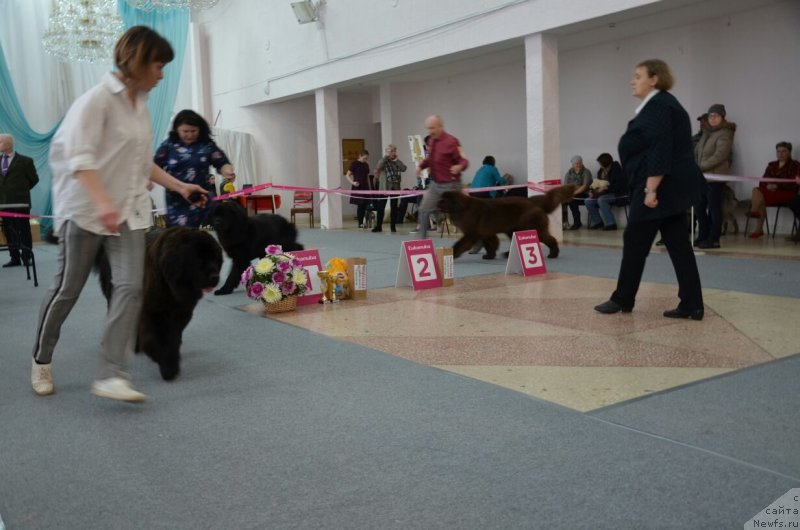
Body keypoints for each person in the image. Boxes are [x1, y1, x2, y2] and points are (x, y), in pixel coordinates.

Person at [31, 26, 209, 402]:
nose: (162, 74)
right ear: (139, 60)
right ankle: (42, 358)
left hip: (128, 213)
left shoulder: (139, 109)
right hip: (85, 212)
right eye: (159, 65)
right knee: (67, 290)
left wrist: (179, 186)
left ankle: (112, 373)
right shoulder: (95, 101)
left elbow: (144, 163)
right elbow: (80, 161)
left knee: (130, 287)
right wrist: (102, 203)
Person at [594, 59, 705, 321]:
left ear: (654, 79)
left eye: (638, 76)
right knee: (678, 245)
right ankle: (692, 303)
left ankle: (623, 298)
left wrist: (651, 189)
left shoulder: (658, 106)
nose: (633, 81)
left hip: (659, 188)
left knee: (635, 241)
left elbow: (660, 150)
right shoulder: (664, 104)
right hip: (670, 188)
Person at [154, 109, 234, 227]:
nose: (190, 135)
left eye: (193, 131)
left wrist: (227, 171)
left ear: (200, 129)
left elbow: (221, 162)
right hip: (177, 202)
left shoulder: (206, 144)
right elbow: (153, 166)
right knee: (181, 237)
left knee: (207, 234)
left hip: (202, 198)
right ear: (177, 129)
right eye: (185, 131)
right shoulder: (168, 145)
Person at [416, 115, 469, 239]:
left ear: (440, 127)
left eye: (432, 128)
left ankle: (478, 241)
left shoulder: (452, 141)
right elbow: (430, 159)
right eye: (428, 128)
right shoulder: (432, 141)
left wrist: (459, 167)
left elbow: (464, 161)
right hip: (435, 185)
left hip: (451, 186)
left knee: (460, 216)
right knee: (423, 210)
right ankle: (422, 244)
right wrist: (420, 166)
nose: (430, 131)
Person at [694, 103, 736, 249]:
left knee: (714, 208)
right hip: (702, 177)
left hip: (715, 178)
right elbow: (698, 152)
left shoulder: (725, 133)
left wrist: (701, 167)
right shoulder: (707, 133)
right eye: (710, 116)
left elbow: (720, 155)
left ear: (722, 117)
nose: (712, 118)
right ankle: (703, 236)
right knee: (699, 207)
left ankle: (714, 239)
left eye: (716, 116)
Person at [746, 141, 800, 238]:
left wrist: (777, 186)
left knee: (759, 197)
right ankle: (757, 223)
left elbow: (794, 184)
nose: (781, 154)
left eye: (784, 151)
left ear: (789, 152)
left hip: (787, 194)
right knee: (757, 191)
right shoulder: (772, 165)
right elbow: (763, 181)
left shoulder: (795, 165)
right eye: (778, 151)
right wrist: (767, 186)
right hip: (770, 193)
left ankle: (755, 216)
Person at [0, 133, 39, 267]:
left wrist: (20, 191)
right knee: (9, 231)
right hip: (3, 204)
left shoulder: (25, 161)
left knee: (24, 229)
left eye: (0, 142)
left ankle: (27, 257)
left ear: (9, 144)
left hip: (21, 203)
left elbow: (34, 179)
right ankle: (14, 258)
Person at [466, 155, 507, 253]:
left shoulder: (480, 170)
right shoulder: (493, 168)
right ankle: (483, 241)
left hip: (472, 194)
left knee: (478, 220)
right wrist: (506, 179)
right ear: (493, 162)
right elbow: (501, 181)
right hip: (483, 195)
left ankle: (477, 243)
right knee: (487, 220)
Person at [585, 153, 626, 230]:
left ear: (605, 162)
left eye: (600, 163)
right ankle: (598, 222)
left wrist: (606, 188)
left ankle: (611, 224)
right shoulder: (600, 171)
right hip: (604, 194)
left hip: (618, 193)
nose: (599, 164)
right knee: (588, 201)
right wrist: (592, 191)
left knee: (602, 199)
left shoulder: (617, 169)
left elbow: (620, 185)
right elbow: (596, 184)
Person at [373, 144, 407, 233]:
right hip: (384, 187)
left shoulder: (397, 161)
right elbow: (378, 166)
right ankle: (378, 226)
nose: (392, 153)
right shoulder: (383, 161)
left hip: (395, 187)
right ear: (387, 152)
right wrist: (386, 157)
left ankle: (393, 226)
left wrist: (397, 160)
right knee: (381, 207)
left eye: (394, 151)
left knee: (394, 208)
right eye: (390, 151)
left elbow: (404, 168)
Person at [562, 155, 592, 230]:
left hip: (585, 194)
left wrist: (573, 191)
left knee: (571, 200)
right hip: (573, 194)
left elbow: (584, 186)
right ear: (572, 164)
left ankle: (577, 222)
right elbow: (566, 186)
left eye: (580, 163)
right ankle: (564, 223)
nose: (578, 165)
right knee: (563, 201)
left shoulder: (586, 172)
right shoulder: (569, 173)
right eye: (576, 163)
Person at [345, 150, 372, 229]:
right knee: (360, 205)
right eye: (364, 158)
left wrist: (370, 188)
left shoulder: (366, 164)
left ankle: (365, 222)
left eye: (367, 158)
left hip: (365, 186)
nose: (365, 160)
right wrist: (353, 182)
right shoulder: (354, 164)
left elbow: (367, 176)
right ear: (360, 156)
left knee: (366, 205)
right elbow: (347, 175)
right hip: (358, 186)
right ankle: (360, 223)